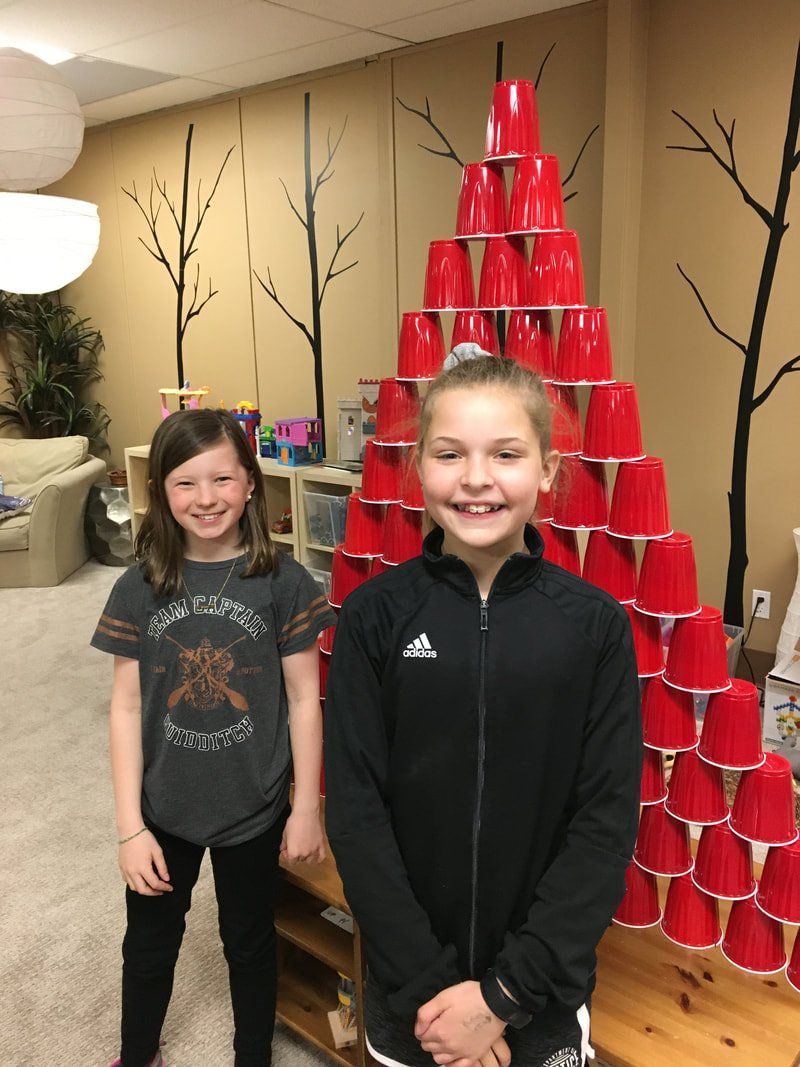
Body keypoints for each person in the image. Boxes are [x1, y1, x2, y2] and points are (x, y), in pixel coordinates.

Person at [324, 353, 641, 1067]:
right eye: (449, 453)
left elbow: (604, 823)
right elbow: (355, 812)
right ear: (418, 466)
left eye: (505, 453)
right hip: (416, 998)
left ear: (548, 469)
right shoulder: (375, 618)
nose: (475, 477)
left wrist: (499, 997)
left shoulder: (594, 626)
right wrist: (442, 999)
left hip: (541, 992)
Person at [91, 408, 335, 1067]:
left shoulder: (284, 582)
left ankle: (252, 1055)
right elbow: (124, 707)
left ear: (251, 483)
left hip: (255, 806)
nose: (206, 498)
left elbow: (306, 697)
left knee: (251, 942)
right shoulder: (138, 586)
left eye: (222, 478)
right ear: (160, 492)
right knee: (148, 945)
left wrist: (306, 804)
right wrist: (127, 826)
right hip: (162, 807)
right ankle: (138, 1053)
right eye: (185, 483)